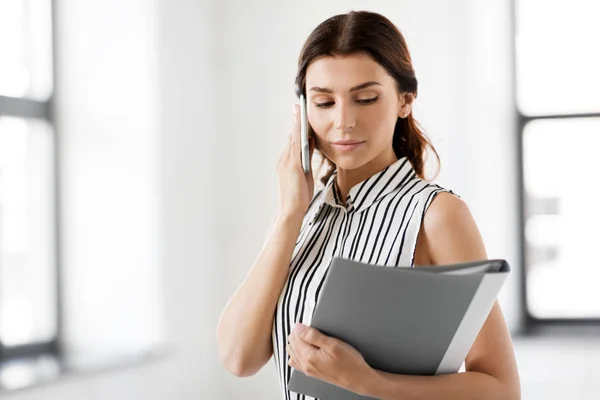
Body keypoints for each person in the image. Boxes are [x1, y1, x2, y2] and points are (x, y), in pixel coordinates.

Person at [217, 10, 521, 400]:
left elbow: (502, 390)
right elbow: (239, 358)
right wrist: (289, 213)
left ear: (405, 100)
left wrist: (367, 382)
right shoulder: (302, 216)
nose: (343, 122)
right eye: (324, 102)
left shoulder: (436, 214)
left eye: (365, 99)